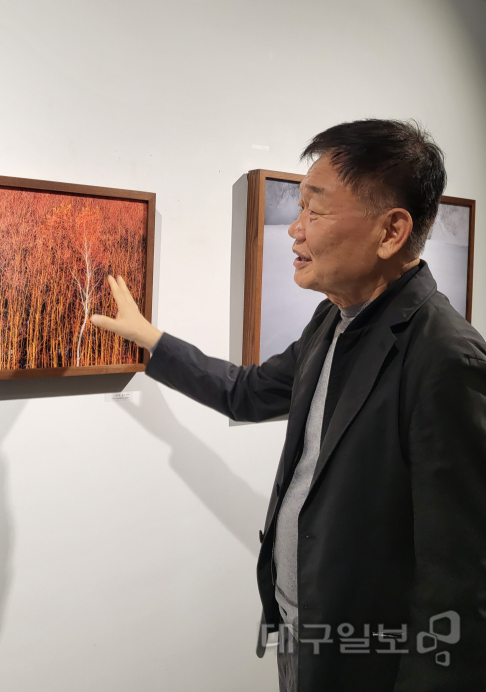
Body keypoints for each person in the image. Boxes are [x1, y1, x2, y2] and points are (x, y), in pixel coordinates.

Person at [90, 119, 486, 692]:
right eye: (298, 208)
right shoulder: (332, 318)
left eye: (315, 211)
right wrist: (152, 342)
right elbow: (248, 392)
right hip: (303, 631)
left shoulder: (445, 358)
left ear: (391, 231)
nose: (295, 231)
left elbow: (459, 581)